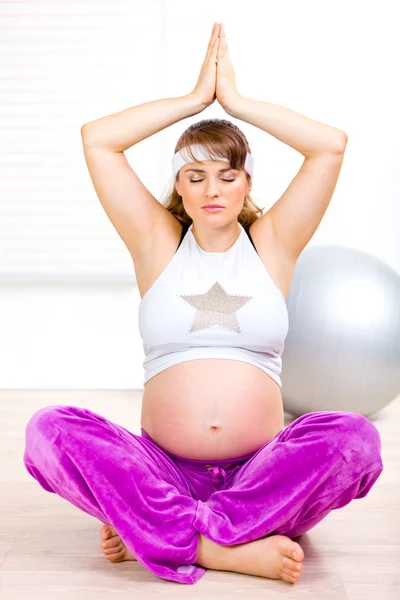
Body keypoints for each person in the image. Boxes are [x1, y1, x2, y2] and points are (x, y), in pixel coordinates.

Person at [23, 23, 383, 586]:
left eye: (227, 175)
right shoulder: (157, 244)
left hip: (261, 473)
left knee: (356, 439)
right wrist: (195, 99)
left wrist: (235, 103)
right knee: (49, 430)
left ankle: (161, 530)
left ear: (245, 183)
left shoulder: (273, 244)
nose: (212, 189)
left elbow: (329, 145)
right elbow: (99, 139)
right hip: (161, 469)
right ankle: (225, 544)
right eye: (196, 176)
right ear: (180, 188)